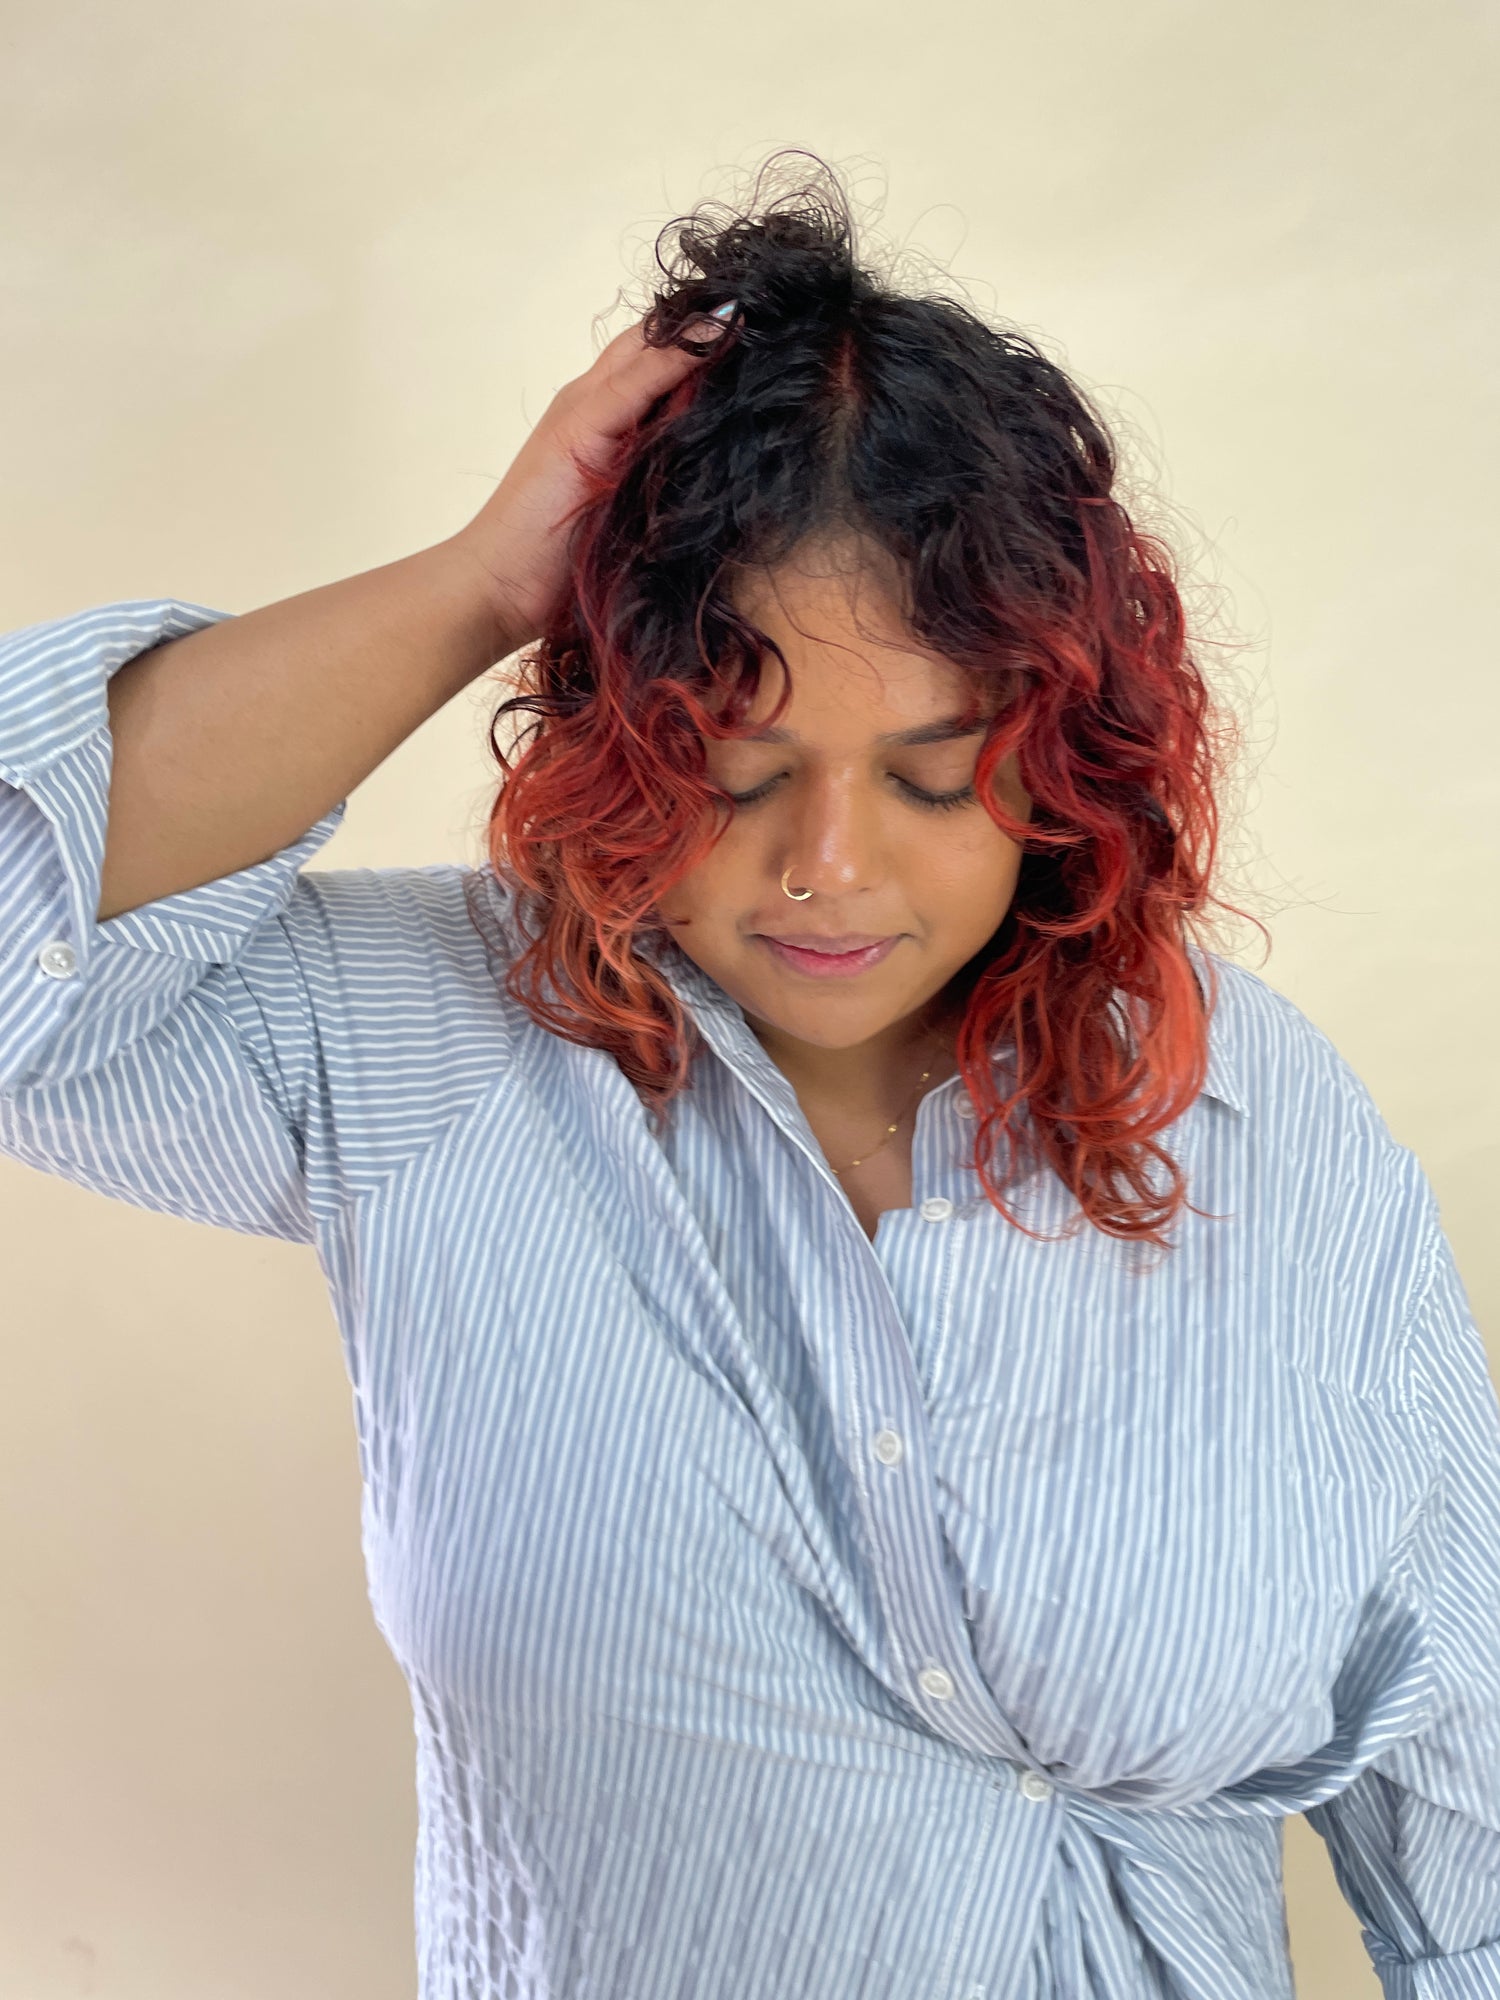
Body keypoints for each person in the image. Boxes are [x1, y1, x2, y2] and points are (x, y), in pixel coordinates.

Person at [2, 158, 1497, 2000]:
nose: (830, 870)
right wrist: (487, 582)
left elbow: (1464, 1757)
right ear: (617, 734)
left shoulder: (1254, 1107)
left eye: (937, 776)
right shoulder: (429, 1033)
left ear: (1066, 763)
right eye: (732, 759)